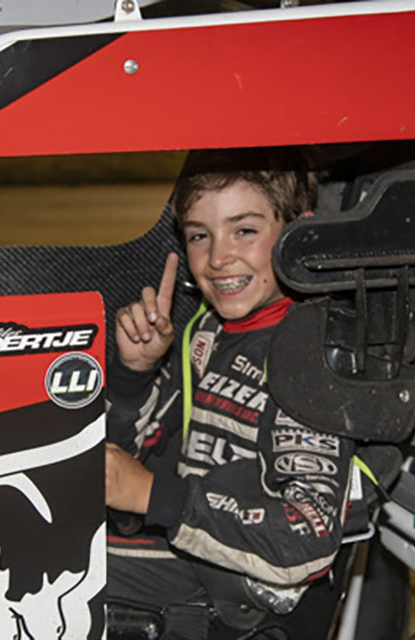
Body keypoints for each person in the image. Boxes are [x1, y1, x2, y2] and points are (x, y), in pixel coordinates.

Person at [104, 148, 356, 638]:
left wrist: (154, 496)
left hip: (242, 594)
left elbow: (309, 537)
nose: (218, 258)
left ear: (299, 236)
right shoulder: (205, 333)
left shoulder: (309, 356)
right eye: (200, 235)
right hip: (185, 548)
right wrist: (135, 374)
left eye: (244, 231)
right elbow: (129, 461)